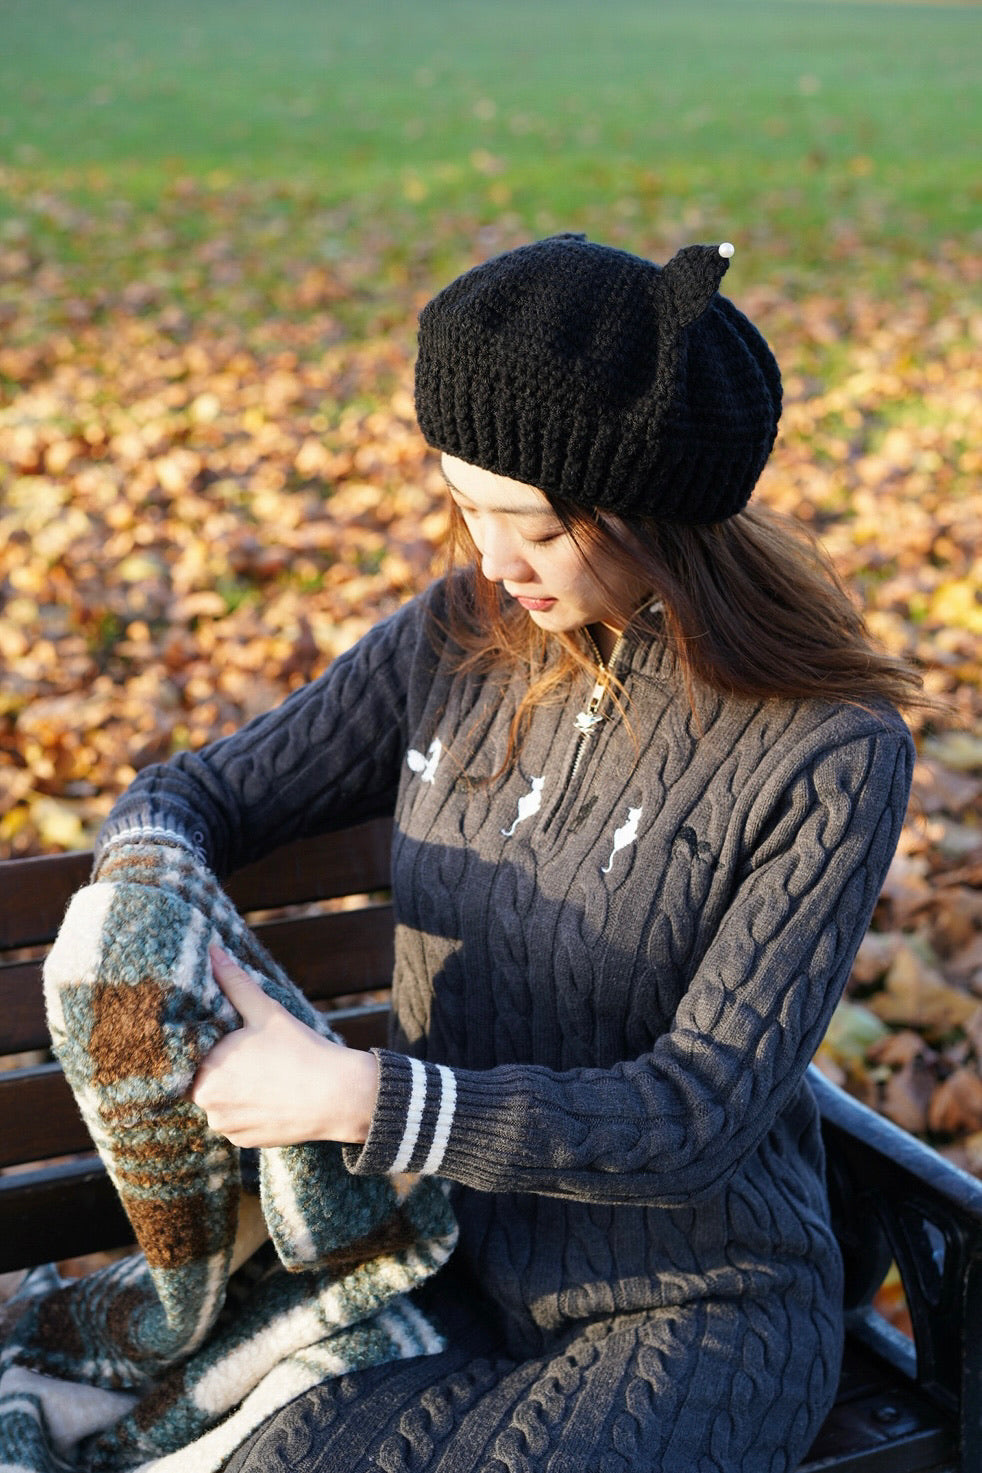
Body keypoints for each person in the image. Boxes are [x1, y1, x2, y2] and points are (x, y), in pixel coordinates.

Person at [95, 235, 921, 1472]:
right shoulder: (456, 638)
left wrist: (359, 1097)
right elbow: (197, 794)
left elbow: (698, 1110)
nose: (489, 558)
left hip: (698, 1312)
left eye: (529, 524)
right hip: (445, 1267)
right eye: (463, 506)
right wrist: (128, 902)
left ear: (654, 514)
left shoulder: (828, 753)